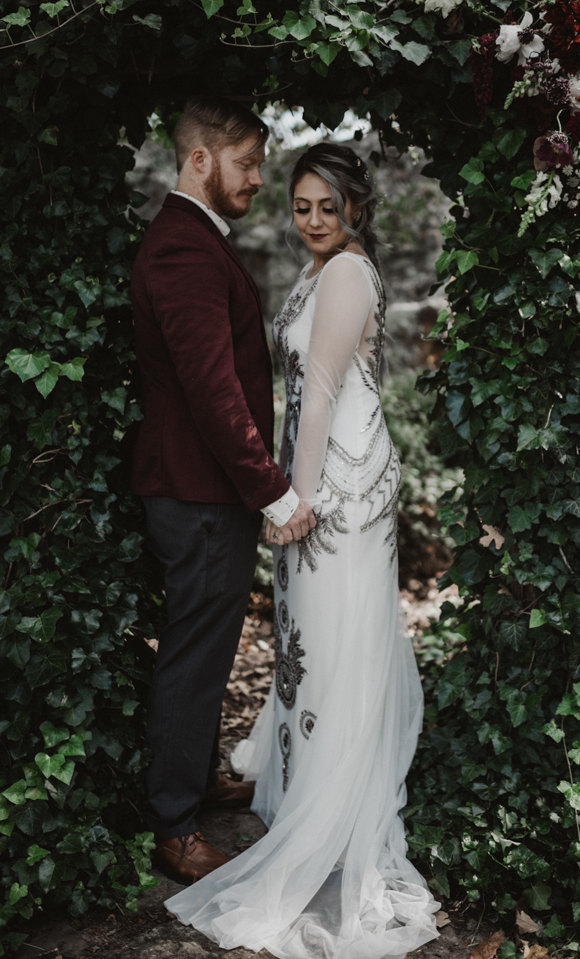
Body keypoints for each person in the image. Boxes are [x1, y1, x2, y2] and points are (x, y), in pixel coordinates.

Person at [166, 143, 440, 957]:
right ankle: (310, 789)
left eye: (328, 206)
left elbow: (316, 398)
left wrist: (298, 502)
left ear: (355, 207)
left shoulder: (349, 273)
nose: (313, 220)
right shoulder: (328, 272)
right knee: (308, 648)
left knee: (332, 645)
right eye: (301, 206)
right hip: (324, 480)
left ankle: (336, 810)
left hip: (339, 491)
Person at [130, 96, 316, 885]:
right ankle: (173, 827)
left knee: (203, 648)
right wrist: (271, 491)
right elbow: (213, 392)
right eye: (246, 162)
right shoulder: (182, 250)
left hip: (204, 491)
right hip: (200, 492)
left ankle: (197, 779)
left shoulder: (195, 241)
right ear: (200, 159)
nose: (260, 177)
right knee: (192, 652)